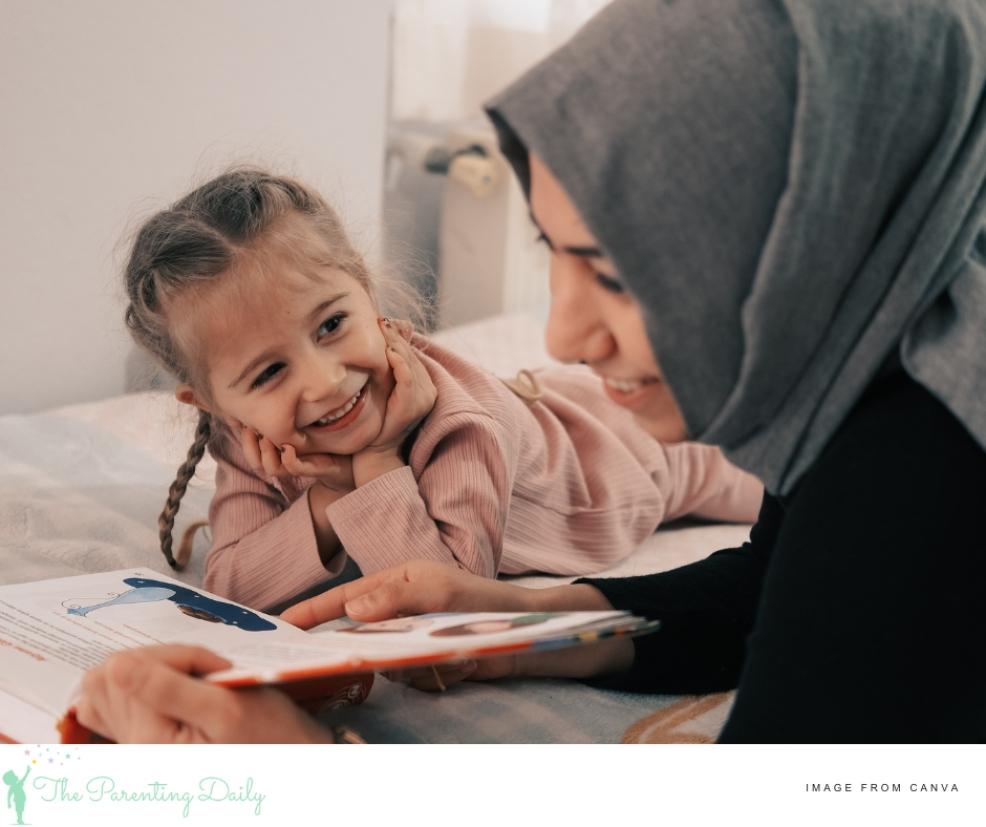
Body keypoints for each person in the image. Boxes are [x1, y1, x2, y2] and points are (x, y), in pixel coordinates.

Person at [77, 0, 986, 743]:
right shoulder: (872, 373)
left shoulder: (919, 471)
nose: (560, 332)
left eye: (620, 272)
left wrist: (296, 772)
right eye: (554, 249)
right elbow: (764, 590)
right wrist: (522, 622)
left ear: (814, 231)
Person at [122, 168, 760, 613]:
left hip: (627, 458)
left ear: (367, 293)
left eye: (333, 324)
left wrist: (373, 466)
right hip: (549, 412)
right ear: (209, 403)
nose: (324, 381)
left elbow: (445, 592)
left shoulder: (456, 420)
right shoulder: (247, 438)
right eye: (267, 374)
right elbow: (231, 582)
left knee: (784, 479)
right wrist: (324, 501)